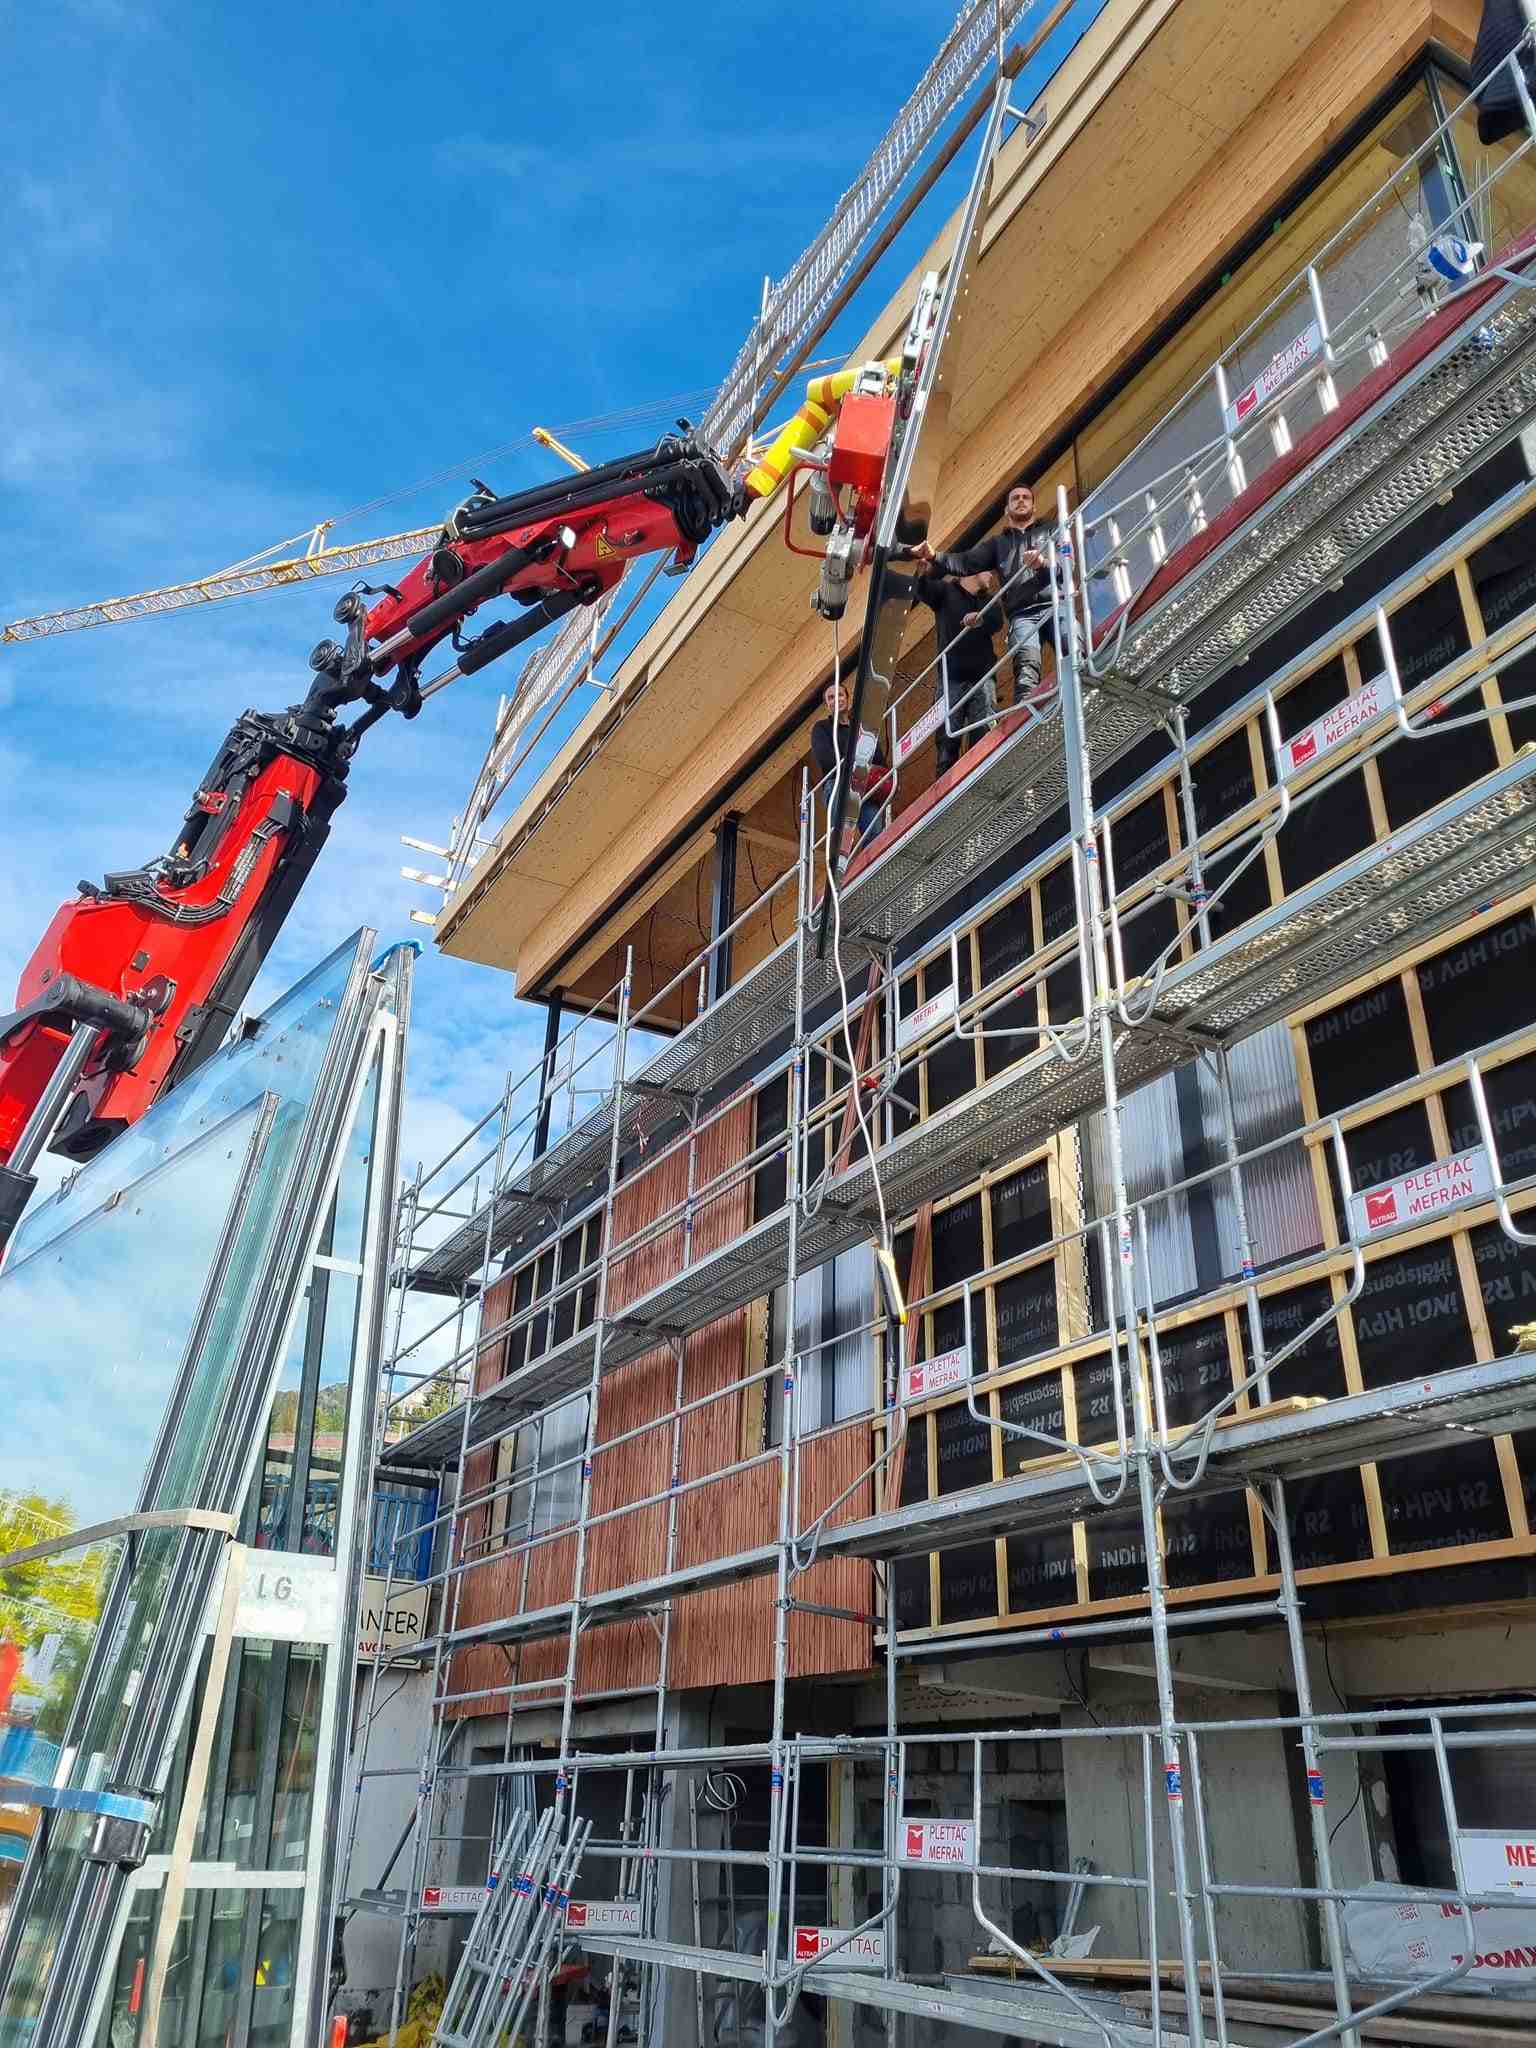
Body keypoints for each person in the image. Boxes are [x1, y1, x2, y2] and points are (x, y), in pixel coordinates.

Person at [911, 481, 1056, 707]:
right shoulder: (995, 547)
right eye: (1015, 498)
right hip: (1020, 617)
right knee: (1026, 670)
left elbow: (995, 622)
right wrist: (932, 559)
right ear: (1006, 510)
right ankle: (1025, 713)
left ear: (1034, 506)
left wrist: (1043, 563)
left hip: (1054, 603)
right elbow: (964, 562)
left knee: (1074, 648)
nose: (1020, 501)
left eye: (1026, 497)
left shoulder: (1050, 530)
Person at [909, 567, 1004, 773]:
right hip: (951, 678)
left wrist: (980, 619)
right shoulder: (945, 592)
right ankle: (945, 779)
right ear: (973, 572)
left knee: (983, 732)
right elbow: (922, 589)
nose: (991, 575)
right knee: (947, 738)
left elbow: (997, 621)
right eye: (987, 571)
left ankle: (983, 774)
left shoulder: (987, 601)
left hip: (982, 677)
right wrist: (922, 572)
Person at [810, 678, 894, 858]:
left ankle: (872, 864)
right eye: (831, 698)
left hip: (864, 787)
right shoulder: (822, 728)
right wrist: (858, 764)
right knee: (843, 836)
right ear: (827, 706)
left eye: (839, 695)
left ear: (847, 699)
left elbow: (879, 759)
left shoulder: (861, 729)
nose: (836, 700)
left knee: (875, 832)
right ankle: (839, 859)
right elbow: (826, 760)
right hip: (839, 784)